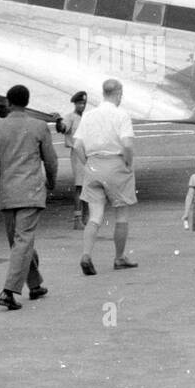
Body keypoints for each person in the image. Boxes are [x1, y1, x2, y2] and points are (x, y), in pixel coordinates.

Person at [0, 84, 60, 311]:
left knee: (19, 241)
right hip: (31, 191)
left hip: (7, 193)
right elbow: (51, 160)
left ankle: (20, 287)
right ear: (27, 102)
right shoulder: (39, 126)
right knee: (22, 241)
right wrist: (51, 181)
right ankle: (22, 287)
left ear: (7, 103)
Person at [73, 78, 138, 276]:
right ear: (118, 93)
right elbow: (127, 144)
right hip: (116, 164)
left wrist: (87, 163)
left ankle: (86, 254)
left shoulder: (89, 115)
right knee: (121, 214)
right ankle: (119, 257)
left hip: (93, 164)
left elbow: (76, 145)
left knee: (95, 216)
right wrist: (127, 162)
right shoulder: (121, 115)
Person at [57, 91, 89, 228]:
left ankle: (86, 217)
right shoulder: (70, 117)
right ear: (75, 104)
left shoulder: (87, 118)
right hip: (77, 153)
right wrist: (58, 120)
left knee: (88, 186)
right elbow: (62, 128)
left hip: (88, 153)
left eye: (84, 103)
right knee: (80, 186)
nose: (82, 106)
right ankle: (77, 219)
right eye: (80, 103)